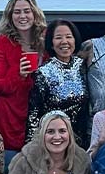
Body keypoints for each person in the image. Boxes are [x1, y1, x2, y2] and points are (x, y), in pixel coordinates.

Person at [0, 0, 48, 161]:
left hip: (39, 116)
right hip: (10, 119)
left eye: (26, 11)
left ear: (34, 14)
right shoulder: (1, 42)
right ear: (10, 16)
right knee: (11, 172)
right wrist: (19, 74)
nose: (22, 16)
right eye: (17, 12)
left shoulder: (44, 42)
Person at [26, 19, 90, 147]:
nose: (64, 42)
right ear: (51, 43)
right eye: (58, 37)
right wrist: (32, 148)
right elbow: (34, 114)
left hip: (81, 141)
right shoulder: (43, 72)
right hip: (54, 140)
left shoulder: (84, 65)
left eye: (68, 37)